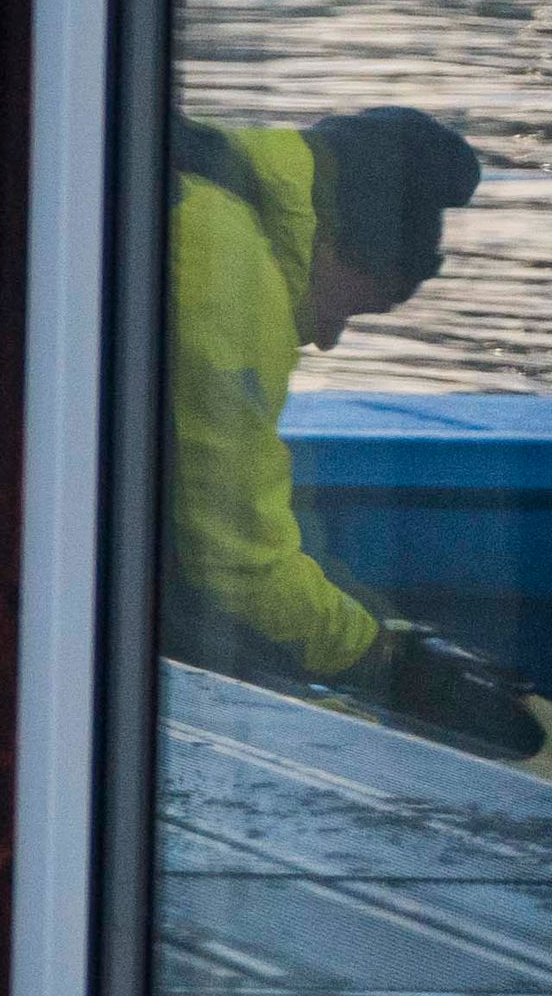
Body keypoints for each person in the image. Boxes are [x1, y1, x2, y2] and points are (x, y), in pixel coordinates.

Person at [168, 104, 549, 762]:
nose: (329, 338)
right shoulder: (229, 275)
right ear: (334, 247)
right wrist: (390, 661)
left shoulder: (208, 183)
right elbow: (242, 569)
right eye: (347, 306)